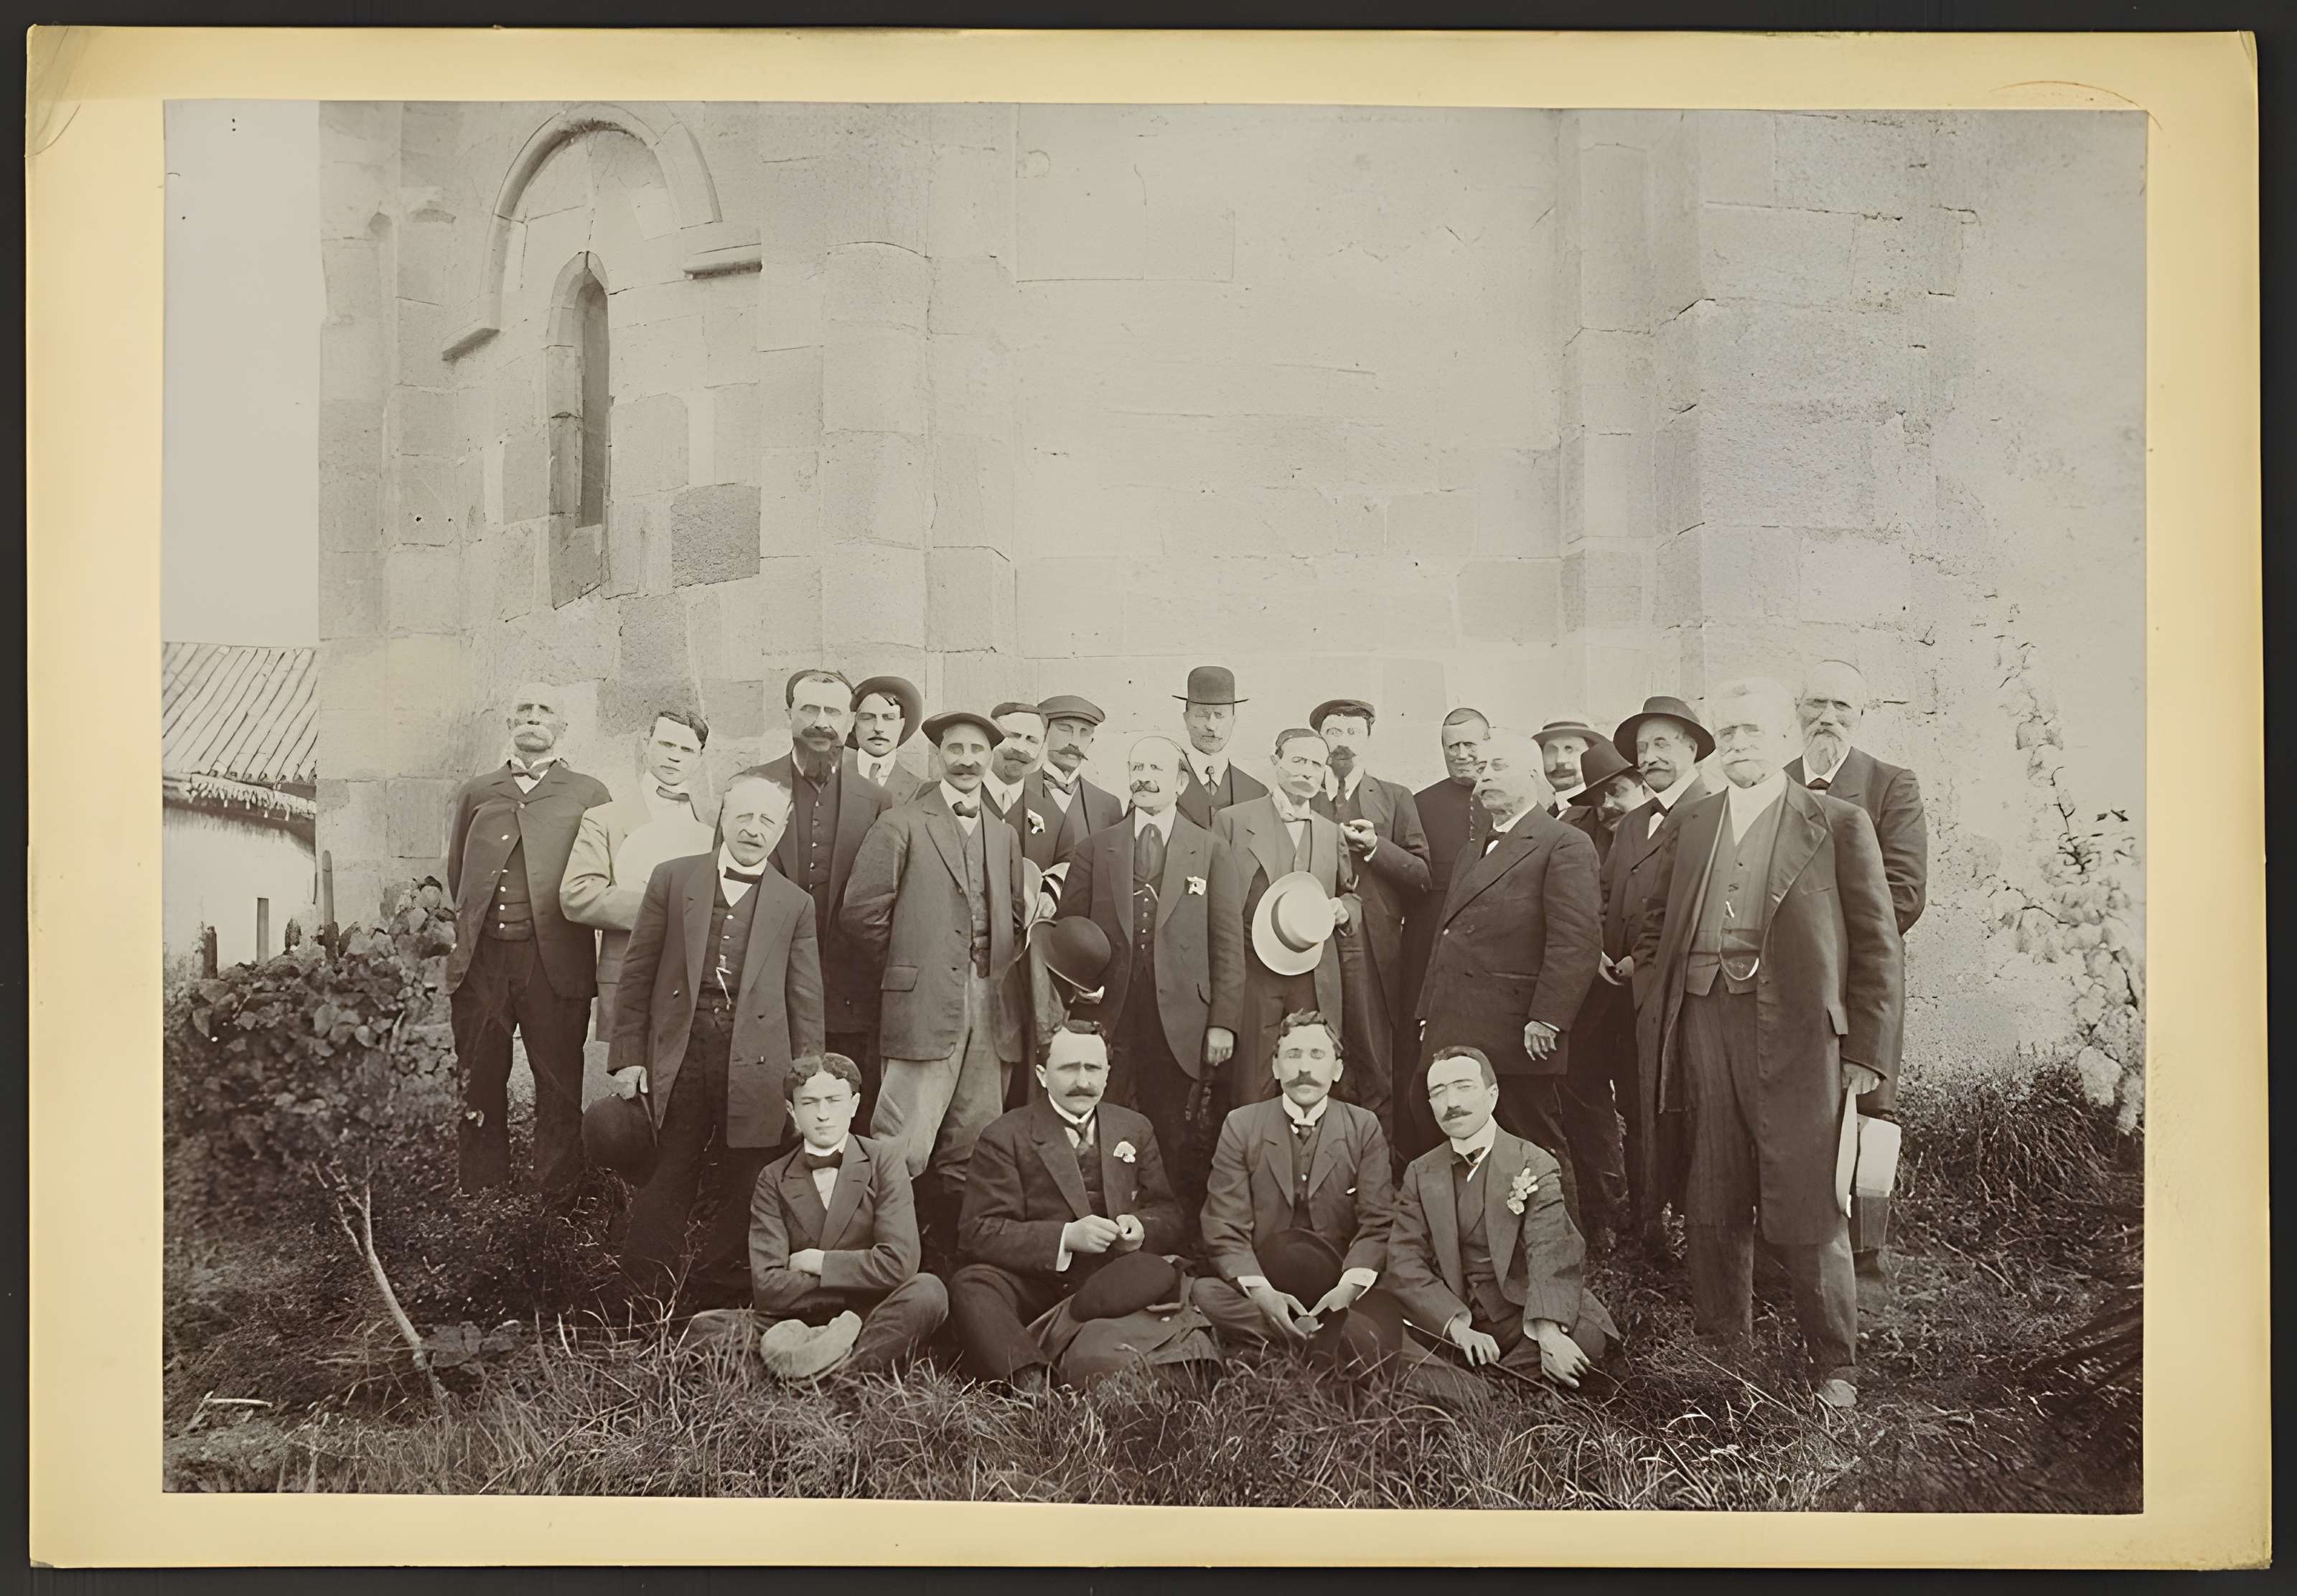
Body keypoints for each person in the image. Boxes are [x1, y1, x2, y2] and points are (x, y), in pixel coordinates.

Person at [1634, 677, 1904, 1409]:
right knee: (1711, 1186)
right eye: (1727, 735)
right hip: (1701, 1022)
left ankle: (1833, 1363)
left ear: (1776, 736)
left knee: (1811, 1194)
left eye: (1751, 732)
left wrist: (1865, 1056)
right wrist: (1657, 1000)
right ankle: (1723, 1347)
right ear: (1714, 746)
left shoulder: (1835, 821)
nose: (1739, 746)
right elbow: (1655, 925)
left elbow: (1877, 947)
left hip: (1796, 1033)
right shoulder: (1694, 824)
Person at [607, 774, 825, 1307]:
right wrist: (628, 1058)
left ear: (782, 830)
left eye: (767, 821)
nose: (754, 829)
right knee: (669, 1171)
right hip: (681, 1053)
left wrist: (806, 1083)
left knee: (748, 1182)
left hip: (757, 1064)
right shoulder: (673, 879)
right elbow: (636, 975)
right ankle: (642, 1301)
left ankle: (714, 1298)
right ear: (723, 816)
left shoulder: (795, 904)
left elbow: (805, 1000)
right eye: (744, 816)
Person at [841, 709, 1029, 1222]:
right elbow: (862, 913)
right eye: (956, 750)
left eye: (977, 751)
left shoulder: (1002, 833)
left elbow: (1011, 911)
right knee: (902, 1142)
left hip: (989, 1006)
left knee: (977, 1140)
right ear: (938, 756)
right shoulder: (902, 821)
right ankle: (875, 1252)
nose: (967, 760)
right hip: (922, 1002)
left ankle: (957, 1260)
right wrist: (913, 964)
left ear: (990, 759)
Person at [1413, 728, 1602, 1228]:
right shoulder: (1477, 846)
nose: (1484, 776)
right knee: (1464, 1140)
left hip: (1518, 1032)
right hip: (1456, 1024)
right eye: (1483, 770)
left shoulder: (1565, 843)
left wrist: (1548, 1019)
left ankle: (1560, 1251)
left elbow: (1576, 942)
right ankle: (1480, 1249)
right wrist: (1427, 1012)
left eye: (1498, 767)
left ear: (1533, 777)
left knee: (1534, 1142)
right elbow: (1446, 934)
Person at [1789, 658, 1928, 1318]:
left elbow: (1904, 894)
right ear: (1797, 713)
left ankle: (1867, 1261)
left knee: (1870, 1115)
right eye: (1817, 704)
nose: (1828, 718)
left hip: (1861, 984)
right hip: (1787, 995)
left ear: (1861, 716)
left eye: (1843, 706)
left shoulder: (1890, 785)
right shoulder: (1775, 783)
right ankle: (1792, 1251)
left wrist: (1822, 949)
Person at [1054, 736, 1243, 1220]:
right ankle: (1097, 1223)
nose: (1144, 777)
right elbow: (1068, 934)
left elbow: (1226, 943)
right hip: (1108, 1014)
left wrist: (1223, 1021)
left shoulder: (1211, 848)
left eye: (1156, 769)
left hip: (1179, 1018)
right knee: (1100, 1119)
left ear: (1180, 781)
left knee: (1172, 1130)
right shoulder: (1096, 848)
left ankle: (1168, 1233)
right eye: (1137, 767)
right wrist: (1077, 992)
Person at [948, 1021, 1185, 1390]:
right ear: (1042, 1075)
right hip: (1038, 1282)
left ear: (1108, 1074)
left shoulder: (1134, 1128)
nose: (1083, 1080)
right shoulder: (1004, 1136)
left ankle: (1108, 1359)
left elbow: (1168, 1212)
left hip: (1116, 1279)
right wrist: (1065, 1237)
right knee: (971, 1285)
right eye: (1068, 1068)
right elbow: (979, 1231)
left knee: (1178, 1282)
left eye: (1093, 1068)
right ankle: (1030, 1382)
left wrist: (1142, 1229)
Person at [445, 683, 614, 1199]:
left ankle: (556, 1203)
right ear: (509, 723)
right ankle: (481, 1195)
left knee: (559, 1085)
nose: (534, 718)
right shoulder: (478, 791)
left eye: (546, 711)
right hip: (484, 962)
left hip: (554, 962)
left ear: (562, 728)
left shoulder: (588, 792)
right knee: (480, 1078)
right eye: (524, 709)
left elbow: (599, 872)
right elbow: (458, 875)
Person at [1385, 1046, 1619, 1407]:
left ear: (1492, 1095)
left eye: (1463, 1087)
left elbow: (1551, 1251)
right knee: (1377, 1334)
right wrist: (1458, 1328)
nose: (1451, 1102)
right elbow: (1404, 1260)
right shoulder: (1421, 1172)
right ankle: (1498, 1390)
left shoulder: (1533, 1161)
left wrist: (1548, 1335)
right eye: (1438, 1093)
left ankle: (1478, 1390)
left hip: (1521, 1311)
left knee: (1585, 1340)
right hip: (1456, 1313)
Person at [738, 670, 896, 1125]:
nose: (821, 722)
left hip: (848, 988)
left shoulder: (877, 800)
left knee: (842, 1105)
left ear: (848, 722)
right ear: (789, 714)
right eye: (809, 709)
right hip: (767, 979)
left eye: (832, 712)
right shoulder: (753, 784)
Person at [737, 1052, 948, 1377]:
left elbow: (901, 1263)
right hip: (798, 1318)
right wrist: (859, 1276)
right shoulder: (773, 1177)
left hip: (869, 1315)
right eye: (809, 1103)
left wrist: (819, 1262)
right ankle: (835, 1370)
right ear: (792, 1111)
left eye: (834, 1101)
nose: (822, 1115)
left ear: (854, 1105)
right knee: (705, 1328)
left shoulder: (883, 1161)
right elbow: (767, 1286)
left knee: (928, 1292)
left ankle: (832, 1373)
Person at [1196, 1011, 1394, 1353]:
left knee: (1385, 1301)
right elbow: (1224, 1226)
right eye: (1293, 1055)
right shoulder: (1242, 1125)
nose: (1304, 1067)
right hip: (1267, 1281)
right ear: (1275, 1068)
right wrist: (1263, 1294)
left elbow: (1378, 1224)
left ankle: (1289, 1338)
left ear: (1337, 1070)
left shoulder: (1363, 1127)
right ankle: (1311, 1338)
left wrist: (1345, 1292)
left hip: (1337, 1284)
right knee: (1204, 1294)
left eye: (1318, 1055)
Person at [1599, 695, 1714, 1249]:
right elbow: (1605, 895)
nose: (1651, 756)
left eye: (1663, 743)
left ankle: (1685, 1226)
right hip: (1619, 994)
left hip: (1676, 994)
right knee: (1633, 1103)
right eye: (1643, 748)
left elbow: (1692, 911)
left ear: (1692, 749)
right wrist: (1599, 949)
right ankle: (1645, 1219)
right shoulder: (1630, 824)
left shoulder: (1713, 812)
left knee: (1677, 1106)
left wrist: (1639, 960)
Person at [1209, 728, 1355, 1110]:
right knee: (1251, 1083)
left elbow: (1350, 892)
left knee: (1309, 1076)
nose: (1308, 772)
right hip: (1252, 972)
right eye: (1298, 761)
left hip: (1311, 974)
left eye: (1317, 765)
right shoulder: (1233, 821)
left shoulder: (1329, 832)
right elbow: (1215, 903)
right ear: (1275, 763)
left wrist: (1344, 908)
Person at [1308, 698, 1430, 1142]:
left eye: (1353, 733)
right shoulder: (1302, 793)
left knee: (1377, 1061)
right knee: (1319, 1056)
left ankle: (1380, 1176)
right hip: (1308, 947)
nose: (1343, 743)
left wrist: (1377, 849)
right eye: (1334, 733)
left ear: (1368, 741)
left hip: (1373, 948)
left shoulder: (1395, 798)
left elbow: (1421, 875)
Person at [561, 708, 716, 1036]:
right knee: (632, 1076)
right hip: (633, 970)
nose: (674, 757)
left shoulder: (714, 823)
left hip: (699, 973)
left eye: (686, 750)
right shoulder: (604, 818)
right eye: (665, 745)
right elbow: (578, 894)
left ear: (700, 759)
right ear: (646, 744)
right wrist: (661, 908)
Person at [1553, 741, 1650, 1253]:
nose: (1609, 804)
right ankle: (1604, 1213)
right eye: (1598, 797)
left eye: (1618, 790)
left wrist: (1639, 960)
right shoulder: (1574, 833)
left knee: (1642, 1106)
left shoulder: (1666, 827)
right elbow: (1570, 903)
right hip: (1588, 997)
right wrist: (1589, 954)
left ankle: (1648, 1219)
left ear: (1641, 784)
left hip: (1643, 998)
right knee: (1581, 1095)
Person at [1396, 706, 1492, 1161]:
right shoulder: (1421, 804)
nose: (1462, 754)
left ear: (1488, 744)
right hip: (1430, 949)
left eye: (1471, 743)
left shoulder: (1509, 798)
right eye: (1452, 746)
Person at [1031, 695, 1125, 868]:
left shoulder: (1108, 806)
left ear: (1092, 740)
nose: (1074, 742)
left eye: (1084, 732)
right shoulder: (1016, 792)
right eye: (1065, 729)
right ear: (1044, 733)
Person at [1173, 665, 1270, 828]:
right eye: (1202, 714)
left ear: (1233, 720)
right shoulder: (1160, 785)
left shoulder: (1257, 793)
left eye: (1220, 715)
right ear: (1186, 718)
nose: (1211, 726)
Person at [849, 675, 930, 804]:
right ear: (853, 724)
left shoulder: (921, 791)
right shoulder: (831, 780)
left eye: (888, 718)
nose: (878, 728)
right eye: (868, 718)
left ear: (901, 725)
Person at [978, 700, 1047, 829]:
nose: (1020, 748)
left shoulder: (1048, 815)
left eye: (1032, 740)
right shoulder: (958, 796)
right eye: (1013, 736)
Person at [1533, 718, 1601, 818]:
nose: (1560, 761)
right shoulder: (1531, 810)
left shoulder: (1601, 811)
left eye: (1570, 749)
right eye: (1551, 751)